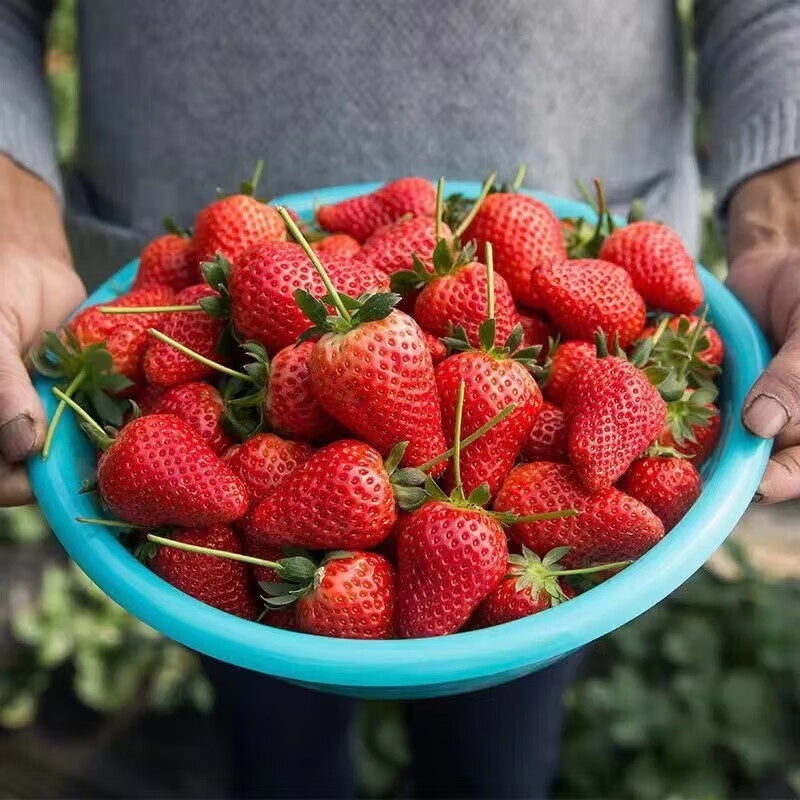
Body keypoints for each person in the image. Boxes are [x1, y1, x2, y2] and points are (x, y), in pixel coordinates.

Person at [1, 1, 798, 797]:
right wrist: (13, 228)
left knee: (496, 745)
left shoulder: (538, 388)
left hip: (586, 226)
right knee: (273, 730)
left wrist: (784, 226)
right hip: (191, 298)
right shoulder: (265, 385)